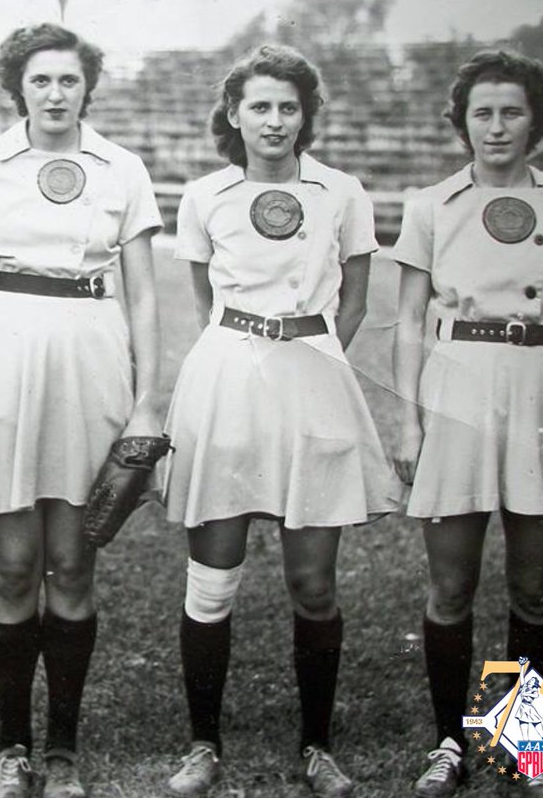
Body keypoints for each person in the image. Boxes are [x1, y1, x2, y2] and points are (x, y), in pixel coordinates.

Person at [393, 49, 543, 798]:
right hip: (458, 381)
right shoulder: (432, 203)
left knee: (535, 589)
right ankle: (448, 745)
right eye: (482, 113)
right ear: (462, 123)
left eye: (511, 111)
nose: (496, 127)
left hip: (542, 382)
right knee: (450, 586)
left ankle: (528, 746)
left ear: (537, 119)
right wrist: (408, 421)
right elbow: (405, 321)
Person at [0, 22, 162, 798]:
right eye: (40, 81)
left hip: (91, 352)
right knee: (13, 564)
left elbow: (146, 295)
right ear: (17, 88)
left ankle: (61, 748)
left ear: (87, 86)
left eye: (68, 80)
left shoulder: (121, 167)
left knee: (73, 560)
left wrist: (146, 401)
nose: (55, 94)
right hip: (2, 351)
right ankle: (12, 746)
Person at [160, 44, 396, 798]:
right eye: (259, 105)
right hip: (227, 375)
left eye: (288, 106)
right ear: (234, 114)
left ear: (306, 116)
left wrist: (313, 357)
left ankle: (318, 747)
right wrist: (245, 349)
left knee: (313, 581)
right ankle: (203, 744)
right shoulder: (204, 195)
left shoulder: (342, 191)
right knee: (213, 577)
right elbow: (204, 297)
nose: (274, 120)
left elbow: (354, 297)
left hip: (313, 377)